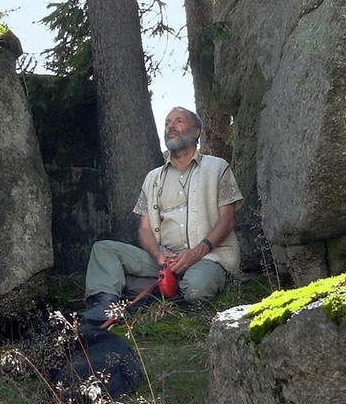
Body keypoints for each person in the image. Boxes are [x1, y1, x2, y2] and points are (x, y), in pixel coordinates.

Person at [81, 106, 243, 325]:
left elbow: (228, 219)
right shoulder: (152, 178)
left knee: (196, 290)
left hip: (207, 256)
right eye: (167, 123)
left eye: (179, 121)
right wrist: (157, 254)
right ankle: (106, 307)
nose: (171, 127)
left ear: (197, 132)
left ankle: (157, 289)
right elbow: (144, 227)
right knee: (104, 250)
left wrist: (196, 252)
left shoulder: (217, 168)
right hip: (164, 259)